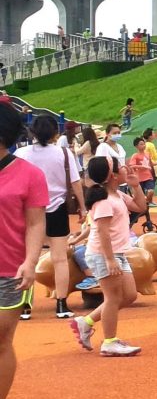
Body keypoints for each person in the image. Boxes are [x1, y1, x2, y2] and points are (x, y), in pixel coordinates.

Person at [0, 107, 48, 399]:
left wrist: (30, 262)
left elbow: (35, 223)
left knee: (1, 338)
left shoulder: (29, 175)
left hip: (10, 269)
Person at [72, 155, 139, 357]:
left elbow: (140, 207)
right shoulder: (104, 201)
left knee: (129, 295)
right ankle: (109, 341)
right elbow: (103, 232)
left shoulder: (117, 195)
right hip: (104, 254)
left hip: (116, 253)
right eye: (120, 167)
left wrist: (136, 186)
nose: (125, 168)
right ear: (112, 175)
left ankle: (86, 322)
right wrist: (110, 260)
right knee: (112, 298)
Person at [21, 114, 81, 322]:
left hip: (29, 210)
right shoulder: (64, 154)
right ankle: (61, 304)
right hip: (57, 208)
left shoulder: (22, 154)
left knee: (28, 257)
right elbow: (75, 182)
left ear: (32, 132)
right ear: (57, 132)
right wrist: (82, 207)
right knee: (59, 258)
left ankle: (24, 306)